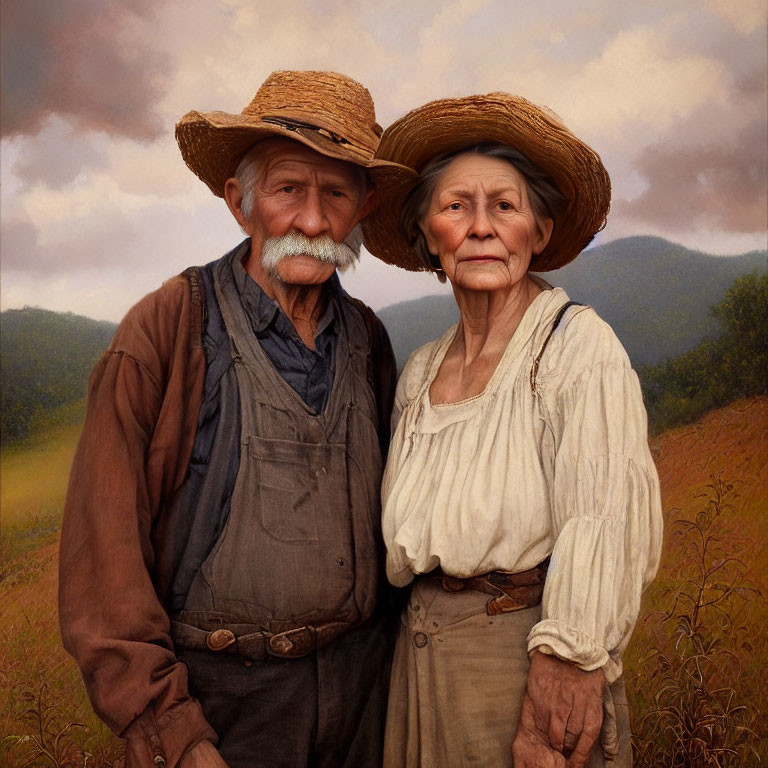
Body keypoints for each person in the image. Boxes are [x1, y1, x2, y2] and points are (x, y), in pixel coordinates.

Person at [58, 70, 414, 768]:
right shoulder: (168, 328)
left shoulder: (369, 340)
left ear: (363, 208)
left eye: (336, 193)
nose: (312, 221)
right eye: (288, 190)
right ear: (238, 201)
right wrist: (170, 730)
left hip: (366, 697)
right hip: (224, 707)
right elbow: (104, 552)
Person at [362, 93, 664, 767]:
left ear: (540, 229)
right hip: (420, 661)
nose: (480, 227)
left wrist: (564, 676)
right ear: (427, 235)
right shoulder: (420, 371)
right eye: (454, 206)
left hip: (522, 659)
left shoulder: (575, 348)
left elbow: (602, 517)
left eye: (504, 205)